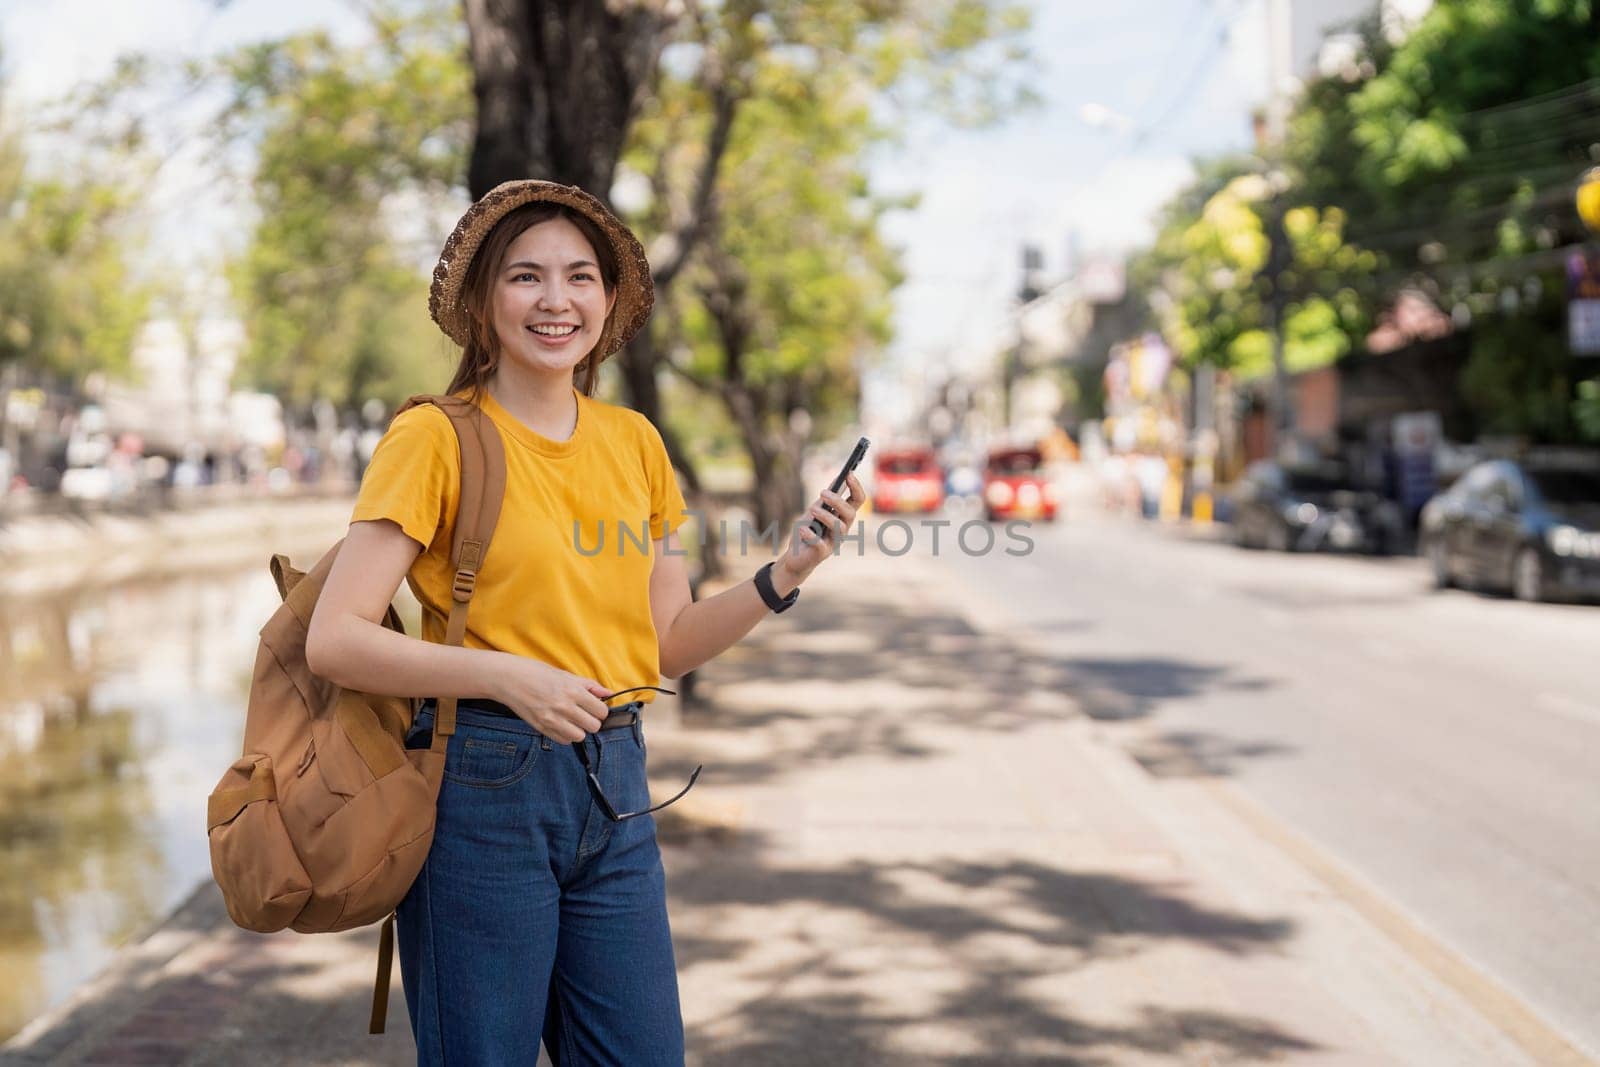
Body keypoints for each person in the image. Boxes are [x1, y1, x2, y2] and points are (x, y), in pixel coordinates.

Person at [304, 180, 862, 1065]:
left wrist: (784, 572)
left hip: (617, 780)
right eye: (526, 277)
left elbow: (666, 642)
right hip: (482, 785)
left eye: (579, 277)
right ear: (486, 302)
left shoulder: (634, 442)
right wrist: (506, 674)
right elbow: (334, 637)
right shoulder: (434, 438)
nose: (556, 300)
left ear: (607, 299)